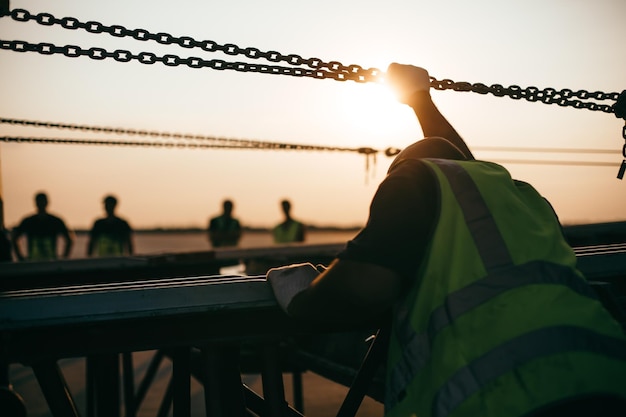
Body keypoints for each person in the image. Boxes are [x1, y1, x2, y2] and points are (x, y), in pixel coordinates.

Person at [267, 63, 626, 417]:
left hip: (508, 398)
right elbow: (462, 164)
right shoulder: (528, 202)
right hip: (608, 378)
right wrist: (420, 100)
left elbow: (362, 287)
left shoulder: (413, 179)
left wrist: (301, 296)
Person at [11, 192, 73, 261]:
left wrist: (64, 258)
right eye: (40, 202)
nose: (41, 204)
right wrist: (20, 258)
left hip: (49, 263)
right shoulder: (29, 222)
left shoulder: (55, 222)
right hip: (35, 263)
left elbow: (69, 239)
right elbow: (14, 238)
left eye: (42, 201)